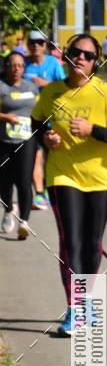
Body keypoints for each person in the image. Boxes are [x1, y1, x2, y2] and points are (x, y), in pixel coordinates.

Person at [31, 33, 107, 336]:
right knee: (71, 242)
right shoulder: (52, 92)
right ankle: (75, 308)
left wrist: (93, 130)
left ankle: (87, 301)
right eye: (76, 52)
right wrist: (46, 137)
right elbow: (36, 123)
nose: (81, 58)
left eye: (88, 56)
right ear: (65, 55)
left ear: (95, 62)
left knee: (92, 244)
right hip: (63, 175)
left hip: (101, 179)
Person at [24, 30, 66, 210]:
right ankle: (40, 194)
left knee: (51, 157)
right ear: (28, 45)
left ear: (45, 45)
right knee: (36, 155)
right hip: (29, 118)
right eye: (32, 42)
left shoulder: (52, 63)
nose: (36, 46)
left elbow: (65, 87)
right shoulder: (23, 64)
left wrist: (45, 84)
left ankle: (52, 189)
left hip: (51, 118)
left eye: (40, 42)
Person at [0, 51, 38, 238]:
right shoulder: (1, 86)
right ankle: (9, 210)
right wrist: (5, 117)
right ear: (6, 66)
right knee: (4, 181)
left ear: (24, 68)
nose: (16, 69)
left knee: (24, 181)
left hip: (26, 140)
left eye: (20, 65)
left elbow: (39, 111)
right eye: (13, 65)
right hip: (3, 140)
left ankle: (24, 222)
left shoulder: (31, 87)